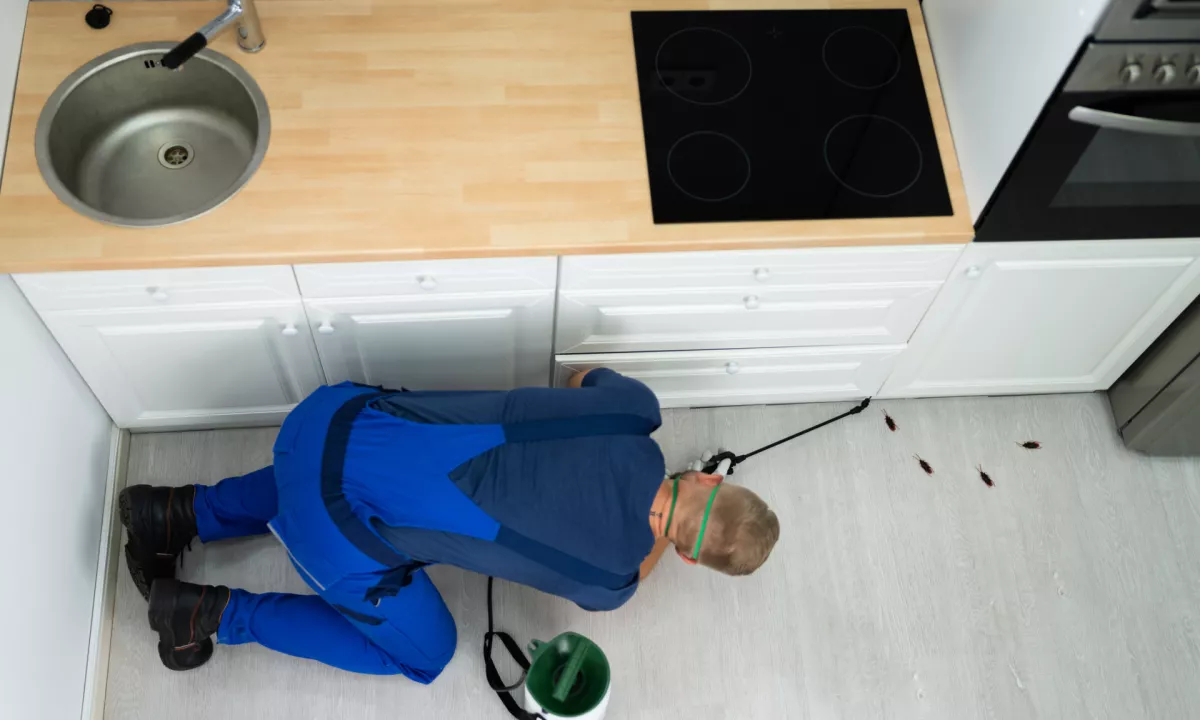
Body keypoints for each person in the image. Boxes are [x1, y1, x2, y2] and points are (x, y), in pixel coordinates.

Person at [119, 368, 780, 680]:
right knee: (426, 656)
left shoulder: (636, 410)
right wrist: (665, 538)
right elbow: (634, 569)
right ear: (689, 558)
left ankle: (176, 511)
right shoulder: (611, 579)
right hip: (328, 528)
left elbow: (581, 375)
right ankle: (210, 614)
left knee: (359, 469)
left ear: (709, 479)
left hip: (332, 415)